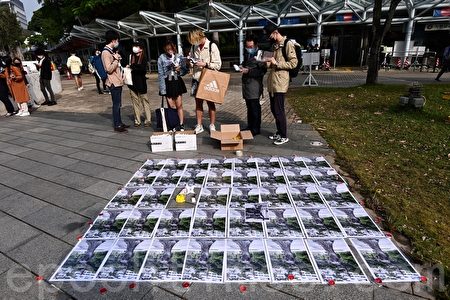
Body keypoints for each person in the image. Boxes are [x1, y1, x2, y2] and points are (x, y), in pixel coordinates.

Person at [263, 23, 298, 145]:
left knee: (279, 109)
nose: (270, 38)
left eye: (270, 35)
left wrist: (276, 63)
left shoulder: (287, 44)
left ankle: (284, 135)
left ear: (276, 32)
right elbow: (274, 62)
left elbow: (293, 63)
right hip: (273, 82)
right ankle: (279, 131)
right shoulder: (275, 46)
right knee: (273, 108)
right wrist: (267, 62)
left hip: (280, 83)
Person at [187, 29, 222, 134]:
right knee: (198, 103)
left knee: (211, 103)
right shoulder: (194, 46)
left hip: (208, 79)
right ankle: (199, 125)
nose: (194, 43)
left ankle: (212, 125)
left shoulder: (212, 46)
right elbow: (192, 62)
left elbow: (218, 65)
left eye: (195, 40)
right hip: (197, 78)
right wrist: (190, 62)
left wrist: (205, 64)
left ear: (200, 36)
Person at [101, 29, 129, 133]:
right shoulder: (105, 52)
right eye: (117, 40)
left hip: (117, 80)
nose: (118, 42)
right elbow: (108, 69)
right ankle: (117, 125)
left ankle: (119, 122)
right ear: (113, 40)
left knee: (118, 104)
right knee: (116, 104)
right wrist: (116, 60)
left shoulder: (110, 51)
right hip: (113, 82)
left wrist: (117, 59)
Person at [157, 41, 188, 131]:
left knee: (179, 105)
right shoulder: (161, 58)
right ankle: (173, 124)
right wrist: (163, 90)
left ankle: (181, 124)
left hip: (177, 81)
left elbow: (185, 71)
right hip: (168, 83)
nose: (170, 51)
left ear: (174, 48)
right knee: (171, 106)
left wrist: (179, 69)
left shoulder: (179, 56)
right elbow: (160, 74)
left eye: (171, 49)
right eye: (168, 50)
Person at [240, 35, 266, 136]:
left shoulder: (261, 55)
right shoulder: (247, 54)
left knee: (255, 107)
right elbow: (246, 63)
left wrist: (248, 71)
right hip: (246, 84)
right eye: (247, 46)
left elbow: (261, 71)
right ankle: (250, 125)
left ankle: (256, 128)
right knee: (249, 106)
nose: (249, 49)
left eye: (251, 47)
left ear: (256, 45)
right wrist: (242, 66)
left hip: (255, 84)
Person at [126, 41, 152, 127]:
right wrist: (132, 67)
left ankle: (148, 120)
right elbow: (130, 67)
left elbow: (142, 69)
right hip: (132, 83)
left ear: (141, 48)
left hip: (141, 83)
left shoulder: (143, 57)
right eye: (134, 46)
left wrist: (132, 67)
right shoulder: (131, 56)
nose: (134, 48)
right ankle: (137, 120)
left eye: (137, 46)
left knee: (145, 101)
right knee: (135, 102)